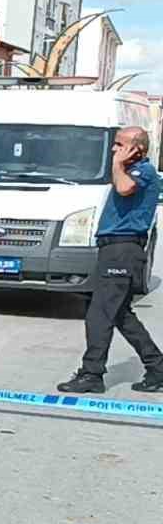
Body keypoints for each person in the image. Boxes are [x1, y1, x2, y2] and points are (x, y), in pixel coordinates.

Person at [58, 126, 163, 394]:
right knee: (120, 314)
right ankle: (158, 367)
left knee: (99, 314)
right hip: (114, 249)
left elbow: (126, 188)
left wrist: (118, 164)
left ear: (137, 149)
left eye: (120, 144)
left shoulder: (143, 171)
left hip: (123, 249)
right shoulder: (129, 170)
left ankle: (92, 373)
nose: (114, 149)